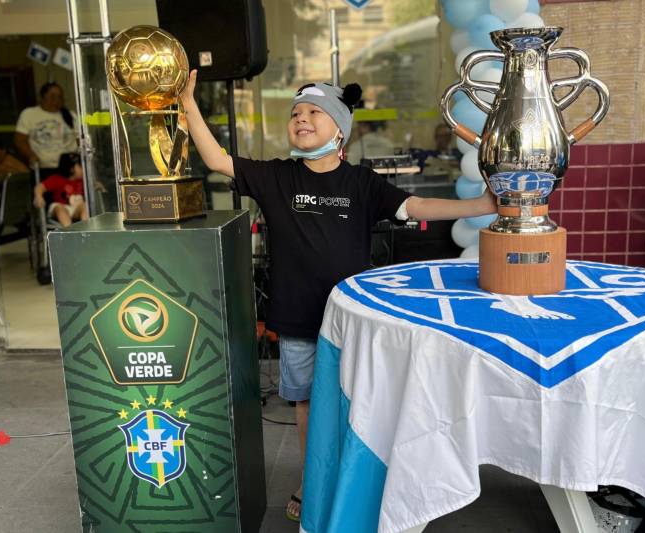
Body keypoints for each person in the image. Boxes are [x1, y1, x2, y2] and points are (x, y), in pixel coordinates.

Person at [180, 71, 495, 522]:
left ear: (340, 129)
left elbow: (416, 207)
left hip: (355, 320)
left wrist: (480, 207)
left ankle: (357, 476)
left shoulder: (362, 183)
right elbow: (215, 159)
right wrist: (190, 104)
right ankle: (313, 479)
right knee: (308, 404)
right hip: (297, 318)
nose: (301, 118)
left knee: (356, 401)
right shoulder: (275, 176)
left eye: (314, 112)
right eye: (295, 113)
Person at [14, 82, 78, 179]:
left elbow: (79, 138)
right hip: (43, 169)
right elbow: (20, 140)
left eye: (59, 97)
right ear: (42, 97)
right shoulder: (29, 114)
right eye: (52, 97)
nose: (56, 101)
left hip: (69, 169)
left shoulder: (70, 115)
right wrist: (31, 155)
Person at [33, 152, 88, 227]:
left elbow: (94, 186)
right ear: (71, 169)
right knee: (59, 207)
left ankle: (87, 229)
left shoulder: (83, 180)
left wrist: (98, 186)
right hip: (61, 207)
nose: (84, 169)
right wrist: (38, 196)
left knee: (85, 206)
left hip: (76, 208)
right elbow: (40, 187)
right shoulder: (56, 179)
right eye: (81, 167)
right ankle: (68, 230)